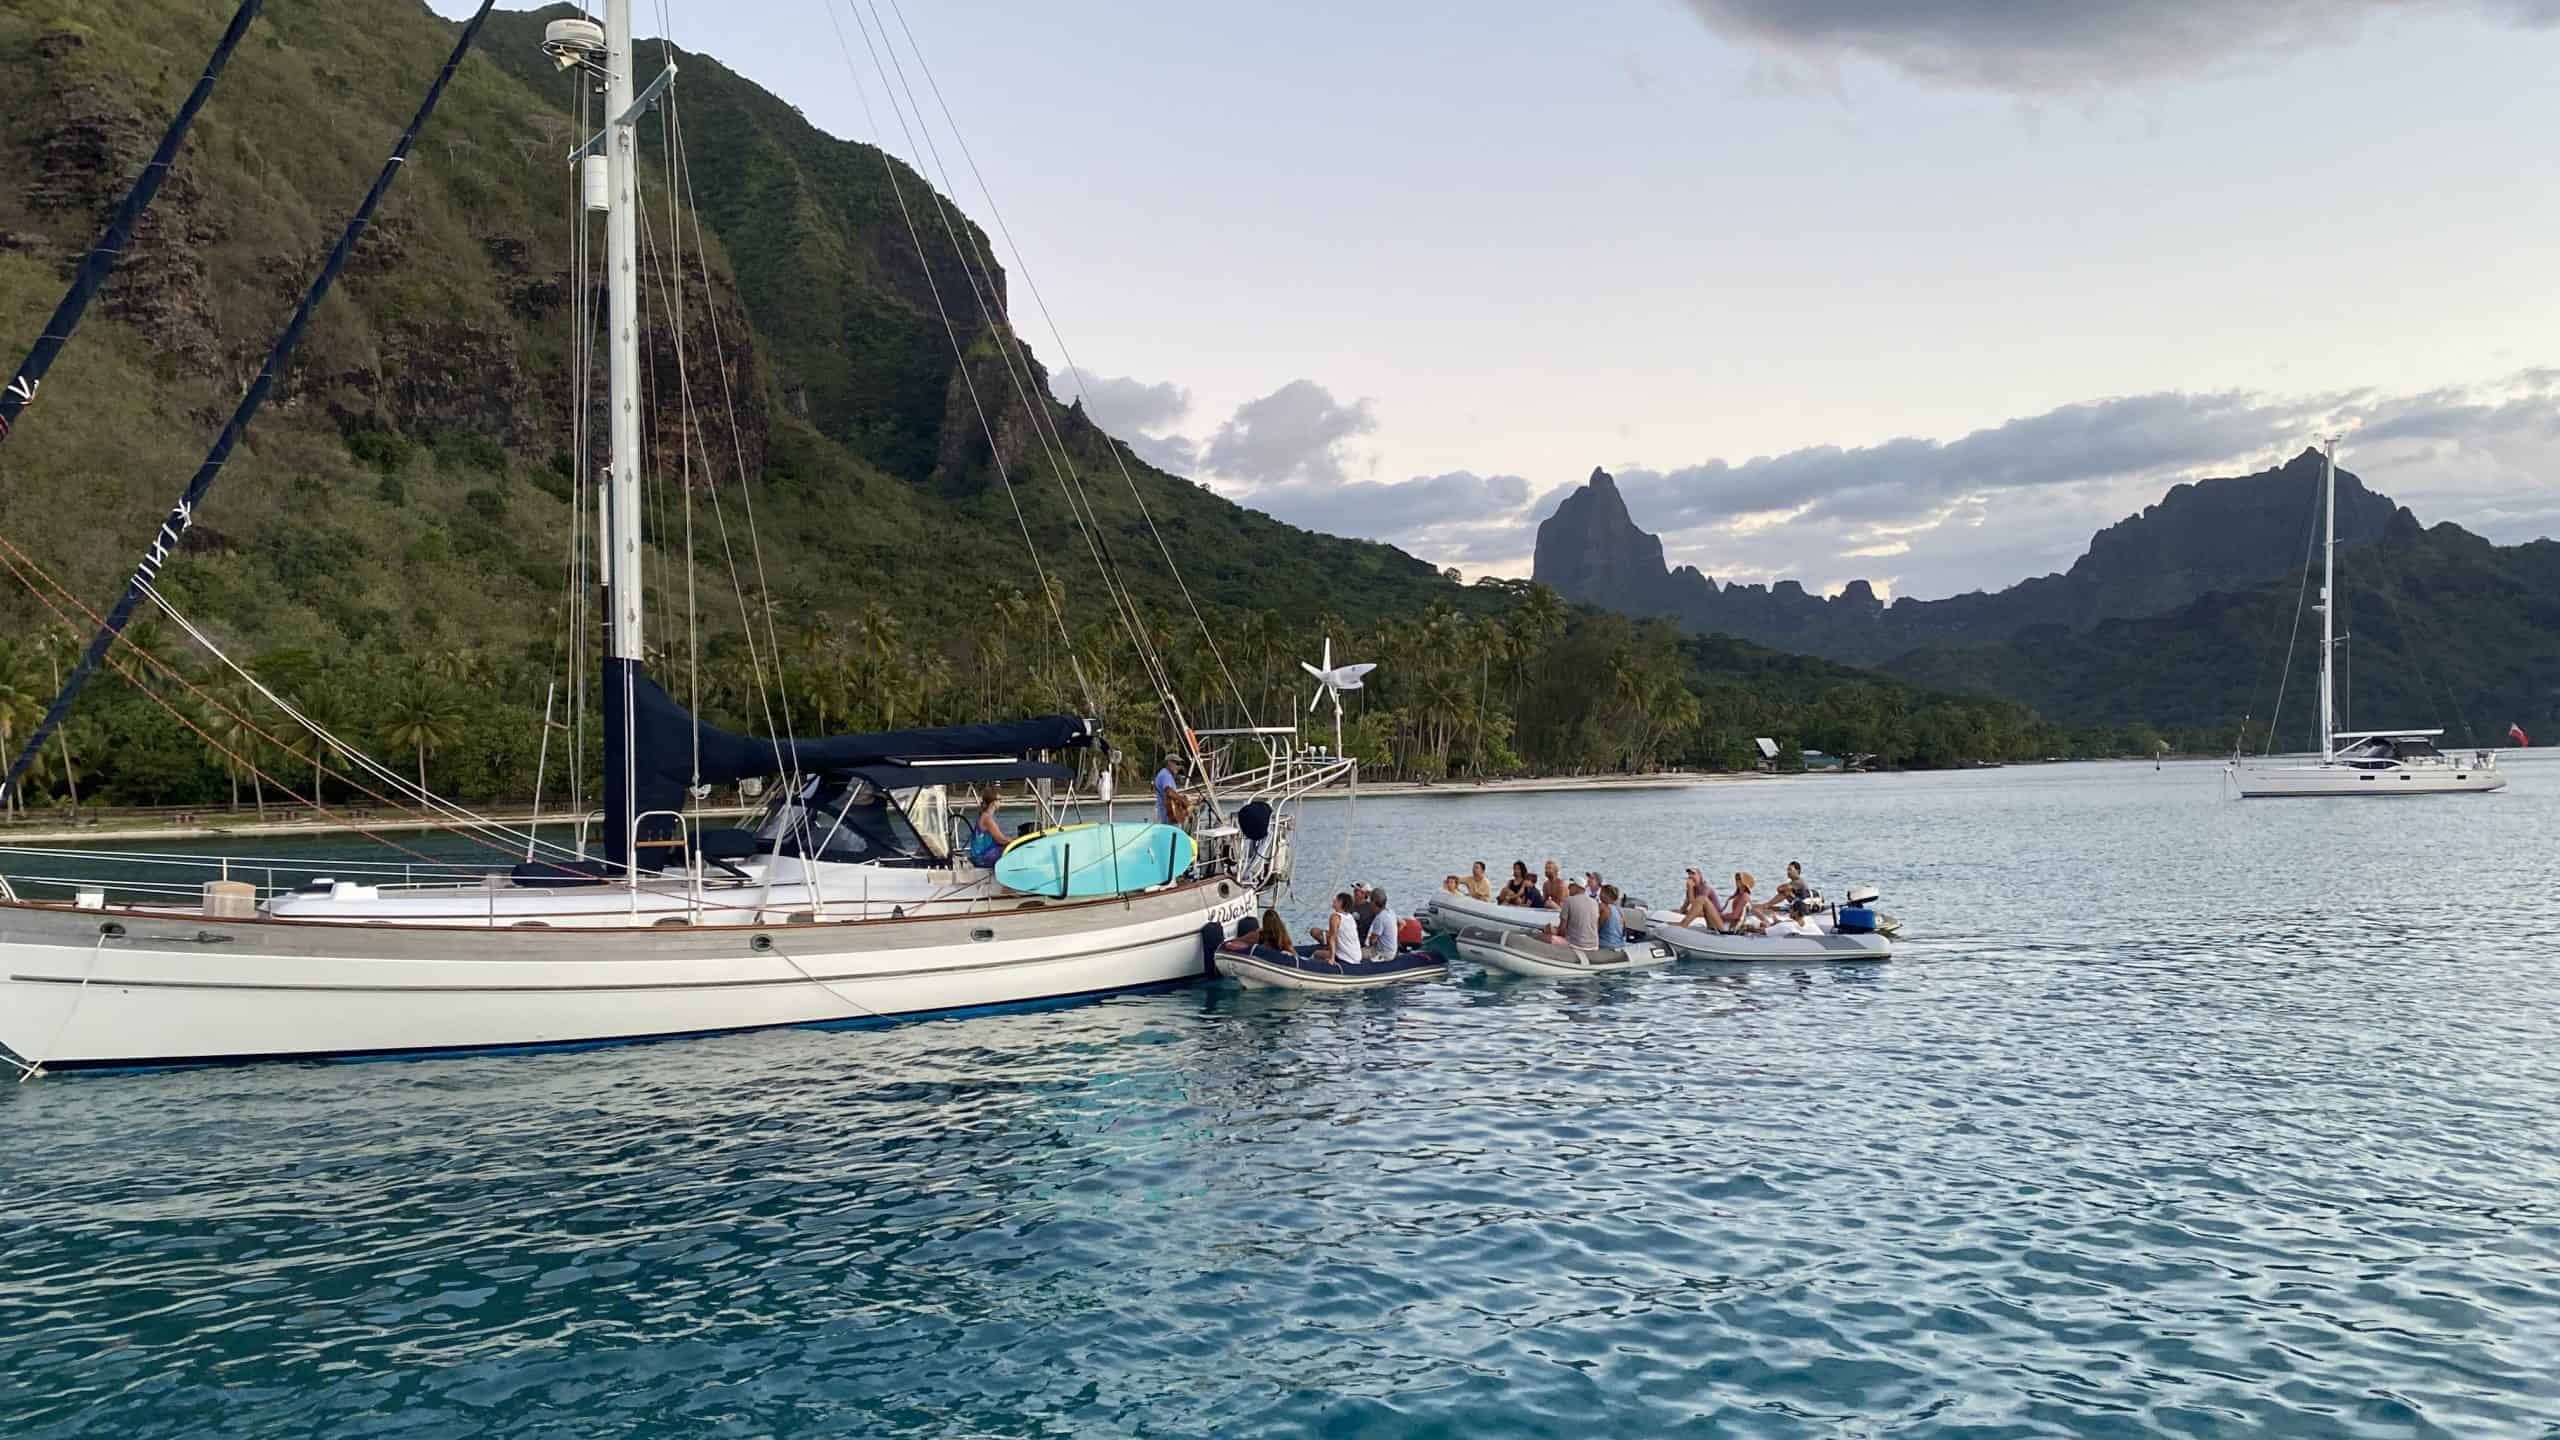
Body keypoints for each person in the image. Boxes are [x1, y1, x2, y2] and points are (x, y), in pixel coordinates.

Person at [1543, 880, 1601, 949]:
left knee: (1542, 937)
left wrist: (1552, 930)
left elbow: (1562, 930)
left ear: (1577, 887)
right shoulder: (1594, 902)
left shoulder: (1569, 900)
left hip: (1576, 945)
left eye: (1570, 886)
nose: (1568, 888)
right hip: (1594, 945)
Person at [967, 785, 1011, 867]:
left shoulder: (985, 816)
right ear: (993, 802)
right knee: (1011, 850)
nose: (1001, 802)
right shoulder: (987, 818)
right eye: (1000, 800)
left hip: (981, 855)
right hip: (982, 858)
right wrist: (1016, 842)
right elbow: (1001, 840)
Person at [1313, 891, 1360, 966]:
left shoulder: (1335, 917)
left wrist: (1332, 958)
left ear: (1340, 903)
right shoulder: (1350, 917)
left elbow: (1332, 938)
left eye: (1336, 899)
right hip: (1357, 956)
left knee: (1316, 953)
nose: (1333, 900)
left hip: (1346, 957)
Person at [1153, 752, 1191, 827]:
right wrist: (1183, 800)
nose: (1178, 766)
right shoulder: (1165, 774)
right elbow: (1169, 792)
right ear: (1169, 763)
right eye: (1177, 763)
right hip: (1166, 814)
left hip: (1168, 813)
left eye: (1179, 764)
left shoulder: (1168, 774)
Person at [1364, 886, 1400, 960]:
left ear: (1374, 903)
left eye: (1370, 900)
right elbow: (1402, 923)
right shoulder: (1390, 912)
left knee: (1359, 954)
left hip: (1383, 953)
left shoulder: (1380, 918)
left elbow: (1372, 941)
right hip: (1392, 950)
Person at [1596, 883, 1627, 948]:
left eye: (1601, 892)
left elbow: (1596, 928)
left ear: (1605, 895)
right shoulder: (1620, 910)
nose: (1599, 895)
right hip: (1620, 944)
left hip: (1606, 944)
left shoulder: (1603, 907)